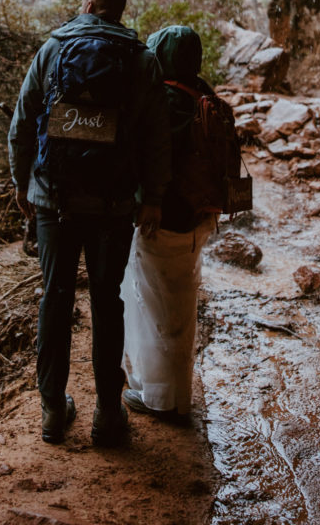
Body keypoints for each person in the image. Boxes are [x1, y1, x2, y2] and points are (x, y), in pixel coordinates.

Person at [8, 0, 171, 447]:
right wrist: (153, 198)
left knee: (55, 298)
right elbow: (156, 138)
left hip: (53, 201)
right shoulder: (142, 60)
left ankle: (53, 411)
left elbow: (22, 123)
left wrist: (23, 185)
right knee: (106, 301)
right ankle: (106, 412)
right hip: (114, 204)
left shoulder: (53, 49)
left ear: (87, 4)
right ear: (118, 11)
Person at [121, 24, 217, 423]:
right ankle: (178, 394)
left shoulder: (159, 99)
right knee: (181, 305)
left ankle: (158, 397)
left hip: (160, 219)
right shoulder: (205, 97)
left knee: (152, 310)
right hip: (200, 218)